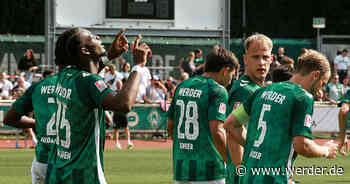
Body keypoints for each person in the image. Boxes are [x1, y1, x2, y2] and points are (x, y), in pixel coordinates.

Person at [4, 27, 142, 184]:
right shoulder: (82, 81)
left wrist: (109, 55)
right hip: (83, 170)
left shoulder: (52, 82)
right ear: (82, 50)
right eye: (91, 37)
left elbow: (9, 118)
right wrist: (138, 66)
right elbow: (122, 103)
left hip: (53, 164)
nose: (97, 37)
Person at [224, 50, 338, 184]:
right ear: (315, 75)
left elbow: (230, 123)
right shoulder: (302, 97)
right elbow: (302, 145)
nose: (321, 90)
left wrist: (254, 146)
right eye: (322, 83)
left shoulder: (262, 91)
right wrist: (326, 150)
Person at [167, 48, 240, 184]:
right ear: (225, 70)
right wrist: (231, 163)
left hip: (182, 167)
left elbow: (170, 126)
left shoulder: (182, 86)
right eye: (232, 74)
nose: (231, 80)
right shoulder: (217, 90)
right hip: (209, 170)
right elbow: (217, 131)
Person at [226, 33, 273, 184]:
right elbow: (233, 132)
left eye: (265, 57)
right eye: (255, 57)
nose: (261, 63)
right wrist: (242, 171)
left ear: (271, 59)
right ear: (245, 59)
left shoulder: (255, 87)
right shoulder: (245, 90)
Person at [131, 34, 152, 103]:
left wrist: (147, 98)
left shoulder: (146, 70)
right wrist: (137, 40)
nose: (145, 58)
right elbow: (135, 51)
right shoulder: (136, 68)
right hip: (135, 99)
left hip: (144, 99)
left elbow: (148, 85)